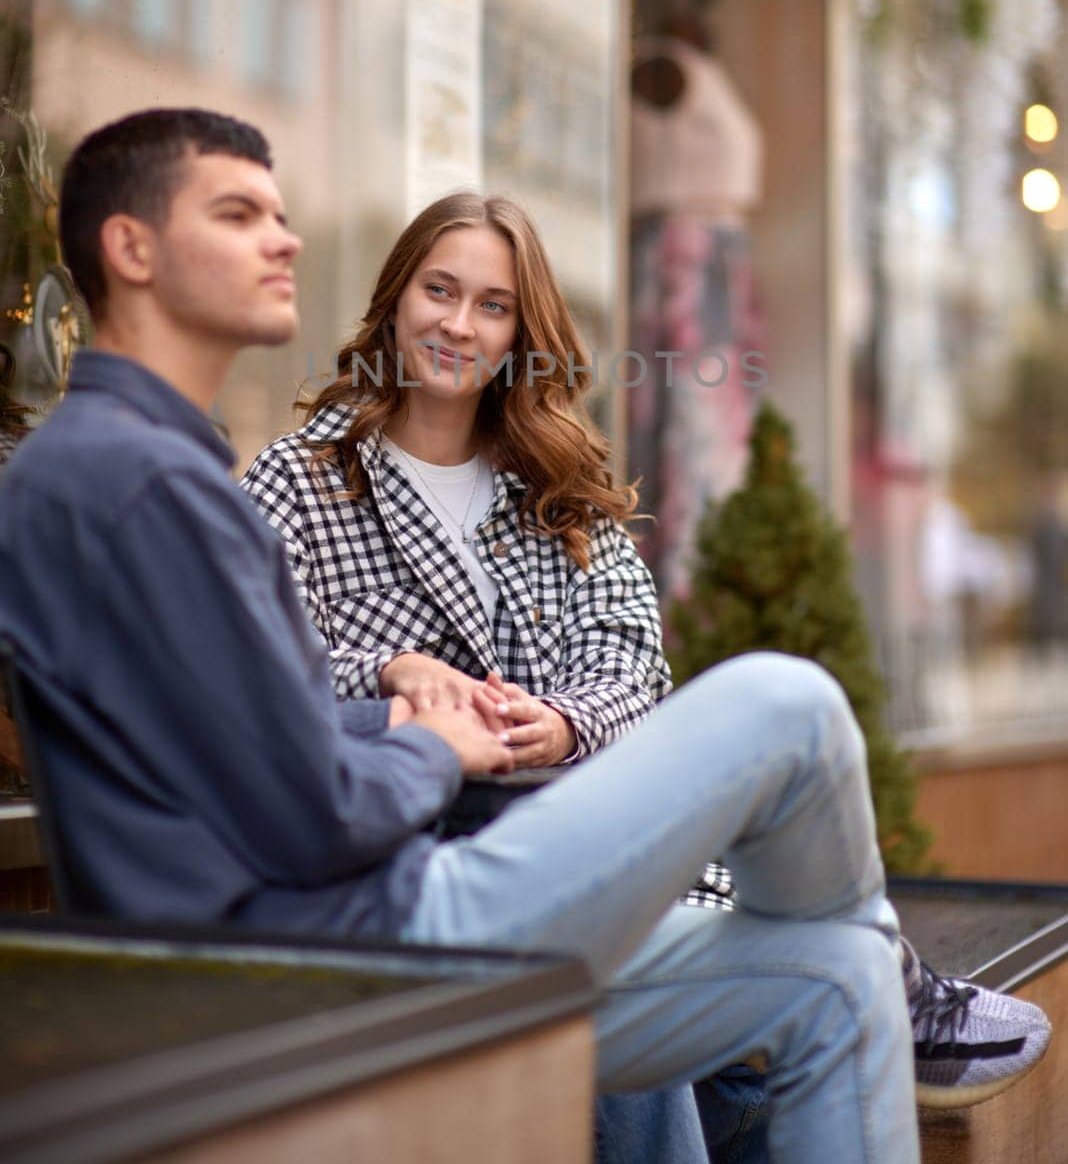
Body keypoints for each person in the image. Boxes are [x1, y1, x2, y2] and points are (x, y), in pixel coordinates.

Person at [0, 107, 967, 1164]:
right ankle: (902, 963)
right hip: (342, 941)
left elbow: (246, 734)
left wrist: (416, 704)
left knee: (835, 978)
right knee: (786, 702)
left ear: (521, 334)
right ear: (130, 249)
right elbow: (313, 809)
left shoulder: (139, 472)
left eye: (282, 214)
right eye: (241, 214)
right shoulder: (150, 484)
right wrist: (434, 740)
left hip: (339, 916)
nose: (285, 239)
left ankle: (886, 965)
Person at [242, 188, 1053, 1131]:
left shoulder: (560, 492)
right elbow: (259, 675)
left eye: (493, 305)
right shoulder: (298, 481)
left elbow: (634, 665)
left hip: (599, 837)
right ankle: (897, 983)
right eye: (439, 291)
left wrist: (563, 724)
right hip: (427, 871)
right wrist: (389, 671)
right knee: (672, 922)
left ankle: (873, 980)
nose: (459, 324)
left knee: (714, 900)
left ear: (520, 335)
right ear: (394, 301)